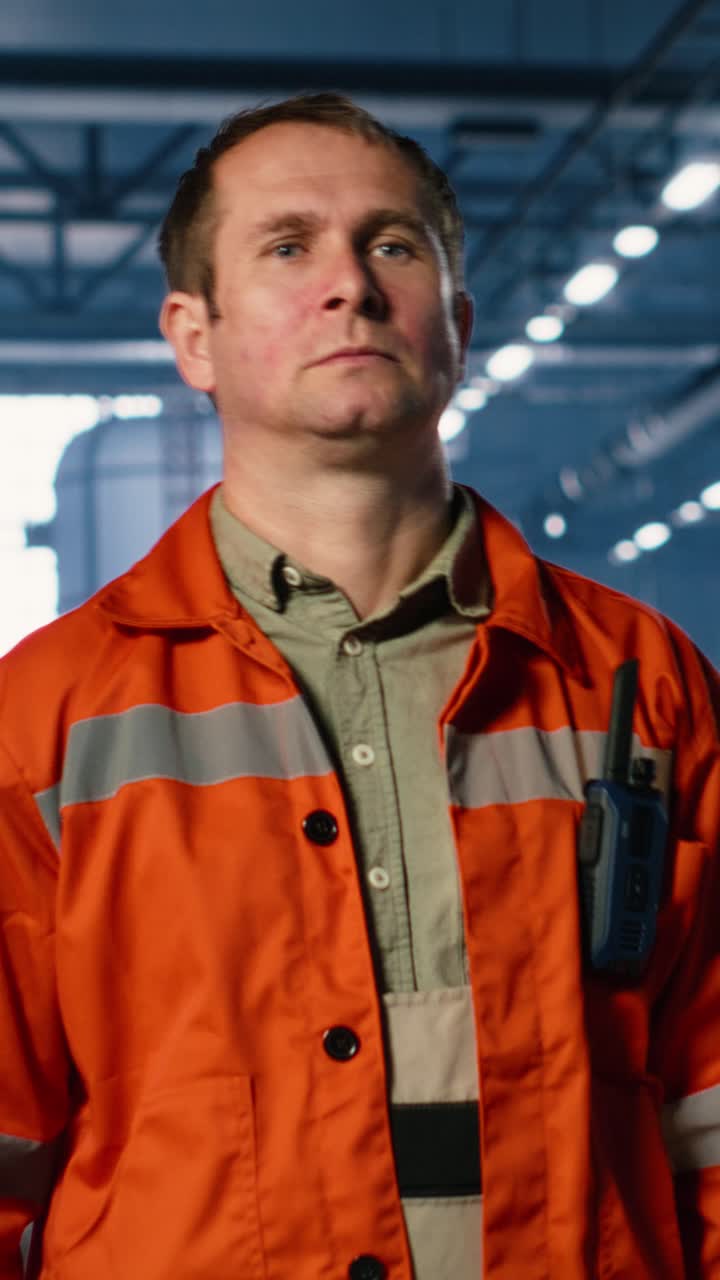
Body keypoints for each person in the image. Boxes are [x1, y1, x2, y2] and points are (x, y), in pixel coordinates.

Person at [0, 92, 718, 1280]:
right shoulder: (48, 717)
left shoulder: (640, 684)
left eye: (392, 244)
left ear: (458, 323)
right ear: (194, 335)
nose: (350, 284)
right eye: (288, 247)